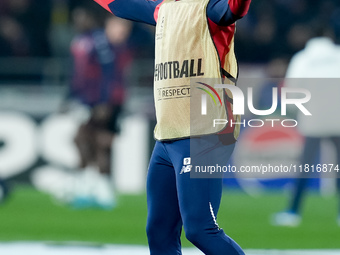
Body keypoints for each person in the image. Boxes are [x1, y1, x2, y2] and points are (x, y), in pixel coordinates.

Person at [94, 0, 251, 254]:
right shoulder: (165, 9)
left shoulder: (209, 8)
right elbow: (119, 4)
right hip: (167, 136)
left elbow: (235, 8)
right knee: (159, 230)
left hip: (203, 133)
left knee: (201, 229)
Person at [65, 4, 133, 209]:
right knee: (89, 141)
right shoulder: (92, 42)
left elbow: (108, 77)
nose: (79, 21)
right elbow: (80, 76)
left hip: (105, 103)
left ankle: (99, 189)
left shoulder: (101, 44)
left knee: (96, 142)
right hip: (99, 101)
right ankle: (95, 188)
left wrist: (103, 101)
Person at [271, 27, 340, 227]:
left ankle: (293, 212)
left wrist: (297, 113)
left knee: (304, 168)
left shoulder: (302, 59)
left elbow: (291, 93)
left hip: (313, 119)